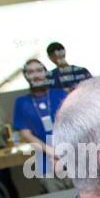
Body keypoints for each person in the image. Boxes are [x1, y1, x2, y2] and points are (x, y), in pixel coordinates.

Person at [11, 59, 68, 188]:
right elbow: (26, 134)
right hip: (43, 159)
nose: (36, 75)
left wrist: (61, 153)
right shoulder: (22, 102)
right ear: (26, 76)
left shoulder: (61, 94)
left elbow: (74, 125)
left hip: (68, 154)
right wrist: (51, 152)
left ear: (45, 73)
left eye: (39, 71)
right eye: (31, 72)